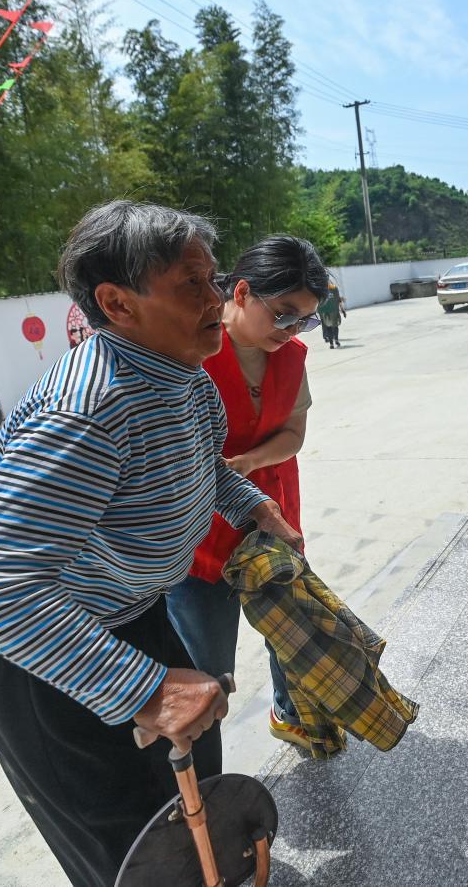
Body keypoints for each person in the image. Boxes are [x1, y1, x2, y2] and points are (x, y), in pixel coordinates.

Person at [0, 202, 302, 887]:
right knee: (129, 840)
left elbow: (198, 462)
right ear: (117, 303)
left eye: (214, 280)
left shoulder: (183, 374)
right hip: (29, 644)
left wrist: (251, 504)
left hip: (127, 609)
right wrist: (141, 688)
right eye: (191, 286)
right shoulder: (89, 410)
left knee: (194, 780)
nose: (216, 300)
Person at [167, 237, 328, 750]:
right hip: (200, 535)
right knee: (206, 668)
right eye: (283, 314)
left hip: (273, 514)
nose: (292, 330)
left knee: (290, 630)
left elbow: (294, 434)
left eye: (304, 320)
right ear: (240, 292)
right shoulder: (188, 354)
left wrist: (250, 463)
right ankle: (199, 769)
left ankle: (289, 712)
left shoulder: (292, 356)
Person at [318, 280, 346, 349]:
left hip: (324, 311)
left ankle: (331, 344)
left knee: (328, 327)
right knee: (335, 326)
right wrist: (342, 310)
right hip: (333, 310)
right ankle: (336, 339)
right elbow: (338, 300)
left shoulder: (319, 289)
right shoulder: (334, 288)